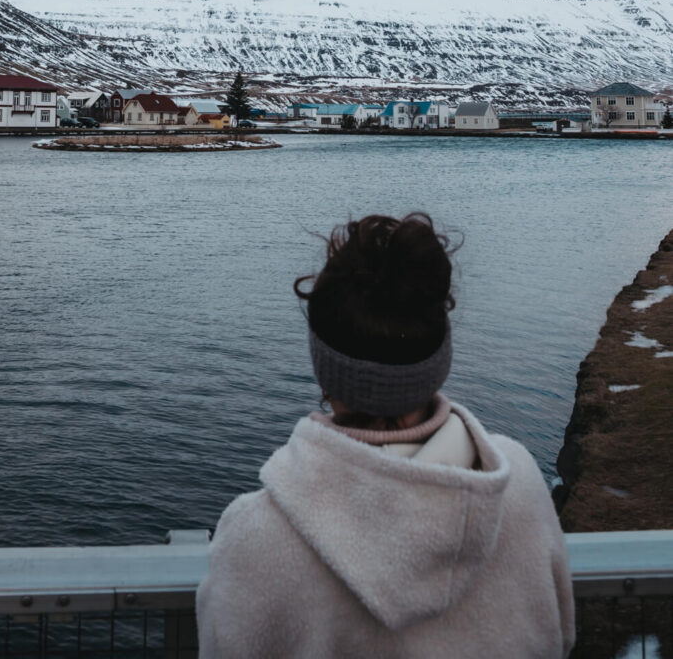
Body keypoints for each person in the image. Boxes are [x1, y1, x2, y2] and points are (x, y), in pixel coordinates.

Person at [196, 213, 575, 658]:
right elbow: (561, 638)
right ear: (438, 354)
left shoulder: (256, 537)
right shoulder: (519, 480)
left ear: (324, 367)